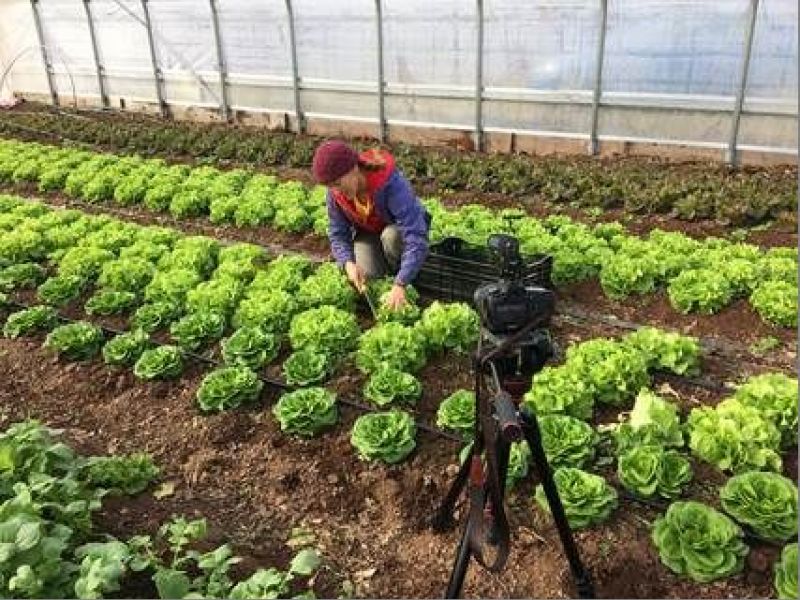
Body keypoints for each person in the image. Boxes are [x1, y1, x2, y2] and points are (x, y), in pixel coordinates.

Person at [311, 139, 430, 309]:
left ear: (353, 169)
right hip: (370, 235)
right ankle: (390, 284)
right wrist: (347, 263)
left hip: (398, 233)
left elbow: (415, 234)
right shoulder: (335, 194)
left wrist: (401, 283)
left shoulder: (390, 183)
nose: (336, 190)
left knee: (391, 236)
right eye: (330, 187)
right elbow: (338, 234)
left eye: (337, 183)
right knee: (367, 276)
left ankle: (409, 277)